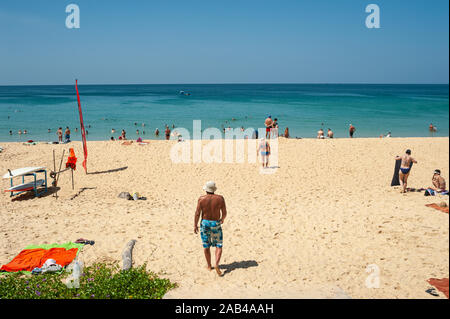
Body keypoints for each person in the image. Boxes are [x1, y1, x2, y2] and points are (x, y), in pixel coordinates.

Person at [194, 181, 227, 276]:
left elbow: (197, 213)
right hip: (216, 223)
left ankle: (209, 266)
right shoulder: (220, 198)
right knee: (219, 244)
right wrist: (222, 219)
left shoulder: (201, 199)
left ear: (206, 190)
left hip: (205, 223)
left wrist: (195, 225)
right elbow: (224, 212)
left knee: (206, 245)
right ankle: (216, 264)